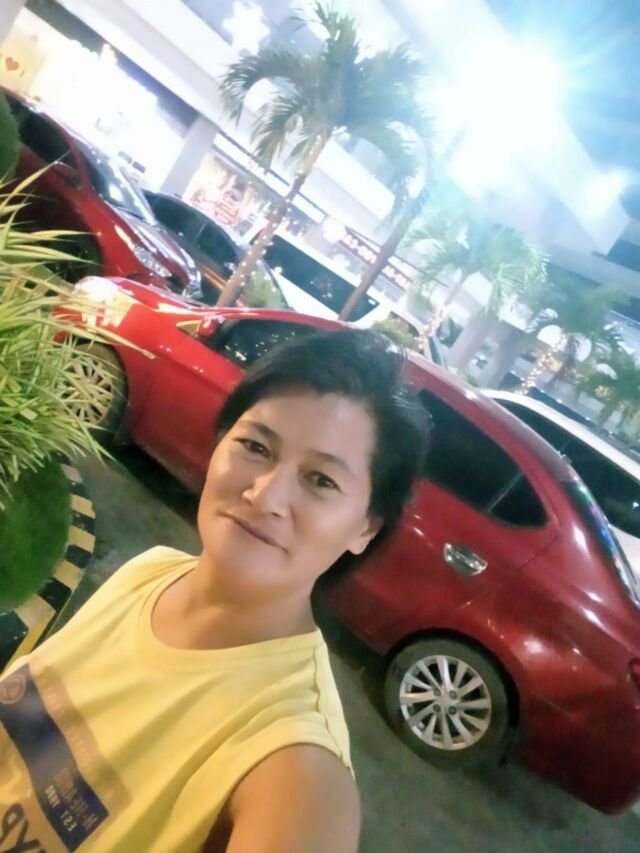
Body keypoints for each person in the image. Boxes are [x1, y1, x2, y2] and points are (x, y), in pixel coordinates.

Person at [0, 329, 430, 853]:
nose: (265, 495)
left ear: (366, 528)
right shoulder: (150, 573)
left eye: (321, 481)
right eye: (256, 447)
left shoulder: (298, 773)